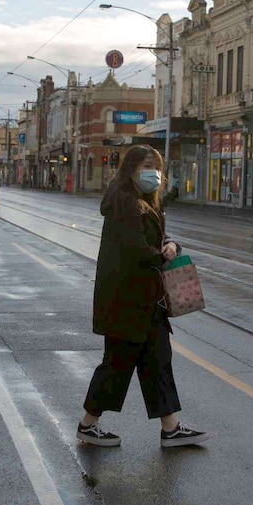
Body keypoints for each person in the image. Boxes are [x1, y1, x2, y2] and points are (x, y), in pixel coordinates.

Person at [78, 145, 209, 448]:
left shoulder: (142, 202)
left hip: (144, 301)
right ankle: (88, 424)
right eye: (147, 165)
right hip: (126, 301)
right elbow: (136, 249)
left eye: (157, 166)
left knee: (157, 361)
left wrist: (172, 243)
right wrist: (165, 256)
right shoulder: (124, 203)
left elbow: (157, 239)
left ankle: (171, 428)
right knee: (117, 365)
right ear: (132, 169)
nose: (154, 173)